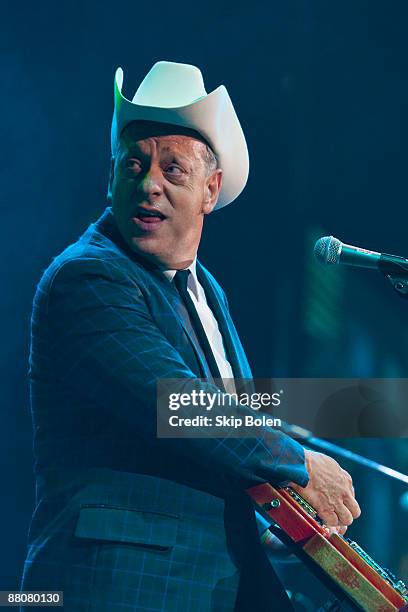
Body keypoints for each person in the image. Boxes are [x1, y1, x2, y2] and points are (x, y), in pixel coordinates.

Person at [20, 61, 360, 611]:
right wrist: (297, 465)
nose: (148, 182)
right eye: (133, 164)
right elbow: (179, 407)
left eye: (173, 169)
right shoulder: (88, 278)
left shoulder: (207, 294)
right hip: (120, 587)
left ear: (210, 189)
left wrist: (274, 515)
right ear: (111, 179)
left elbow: (233, 423)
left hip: (213, 580)